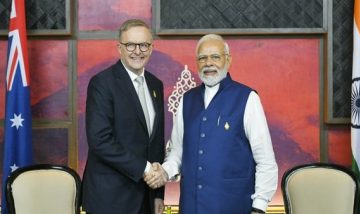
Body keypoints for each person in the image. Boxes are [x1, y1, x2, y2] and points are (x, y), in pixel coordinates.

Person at [145, 34, 278, 214]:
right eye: (202, 58)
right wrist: (164, 172)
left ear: (228, 60)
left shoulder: (247, 98)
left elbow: (265, 160)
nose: (208, 63)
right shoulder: (186, 100)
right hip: (191, 207)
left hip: (234, 207)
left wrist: (259, 207)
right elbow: (177, 152)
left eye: (215, 57)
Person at [82, 19, 165, 214]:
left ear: (151, 48)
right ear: (119, 47)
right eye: (130, 45)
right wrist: (145, 169)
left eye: (144, 45)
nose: (138, 51)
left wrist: (158, 193)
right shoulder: (102, 83)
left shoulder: (156, 85)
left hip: (145, 198)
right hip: (110, 200)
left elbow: (155, 144)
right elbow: (100, 141)